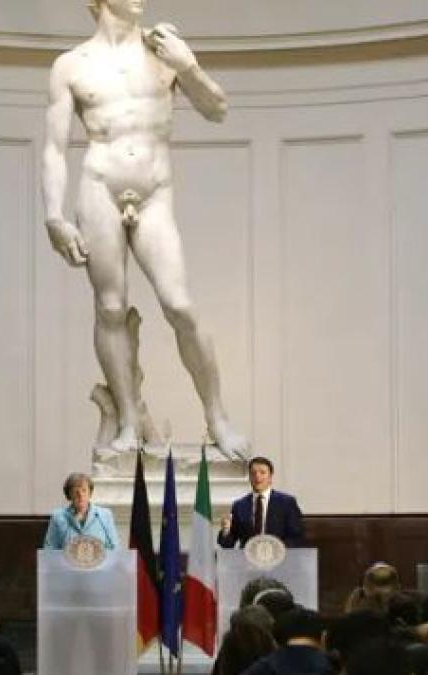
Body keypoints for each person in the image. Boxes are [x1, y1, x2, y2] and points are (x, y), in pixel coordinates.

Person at [41, 0, 247, 458]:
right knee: (110, 308)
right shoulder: (71, 65)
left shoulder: (163, 51)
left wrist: (188, 66)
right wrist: (54, 216)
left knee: (180, 305)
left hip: (154, 193)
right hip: (100, 188)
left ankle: (217, 417)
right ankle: (129, 422)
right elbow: (55, 149)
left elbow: (217, 108)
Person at [218, 457, 305, 548]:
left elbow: (297, 537)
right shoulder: (239, 505)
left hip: (278, 557)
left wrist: (276, 549)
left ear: (270, 477)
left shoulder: (287, 503)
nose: (257, 476)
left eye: (262, 473)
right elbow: (227, 544)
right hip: (248, 558)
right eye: (253, 473)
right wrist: (226, 530)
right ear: (249, 478)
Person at [41, 473, 119, 550]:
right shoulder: (58, 517)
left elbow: (114, 547)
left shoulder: (105, 515)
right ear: (69, 495)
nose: (80, 495)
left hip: (100, 562)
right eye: (75, 492)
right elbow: (49, 549)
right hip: (65, 562)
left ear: (90, 493)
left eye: (84, 490)